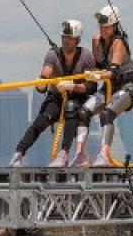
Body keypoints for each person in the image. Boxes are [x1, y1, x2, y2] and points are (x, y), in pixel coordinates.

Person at [9, 19, 96, 167]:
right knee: (42, 120)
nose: (66, 41)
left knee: (71, 107)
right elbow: (46, 73)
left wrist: (72, 86)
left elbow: (91, 86)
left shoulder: (86, 56)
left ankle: (64, 153)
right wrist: (42, 84)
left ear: (78, 40)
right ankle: (18, 154)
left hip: (78, 98)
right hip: (57, 97)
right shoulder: (53, 55)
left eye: (70, 38)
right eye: (64, 38)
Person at [87, 6, 133, 166]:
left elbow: (113, 72)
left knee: (107, 115)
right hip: (108, 88)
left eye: (106, 25)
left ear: (115, 26)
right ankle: (81, 154)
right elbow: (97, 67)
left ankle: (104, 154)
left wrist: (97, 75)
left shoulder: (119, 43)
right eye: (101, 25)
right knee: (82, 113)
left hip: (126, 88)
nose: (102, 28)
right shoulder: (96, 41)